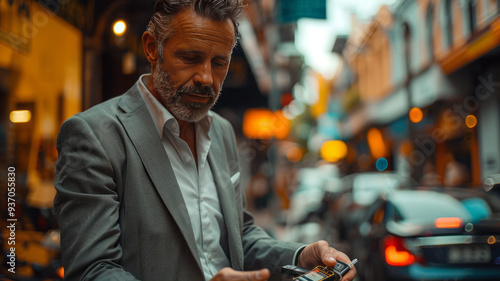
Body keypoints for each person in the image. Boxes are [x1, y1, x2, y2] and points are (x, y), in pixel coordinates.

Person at [53, 0, 357, 280]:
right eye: (190, 57)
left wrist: (299, 256)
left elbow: (239, 235)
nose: (207, 78)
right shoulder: (94, 136)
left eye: (219, 63)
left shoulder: (222, 131)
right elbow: (93, 270)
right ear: (151, 48)